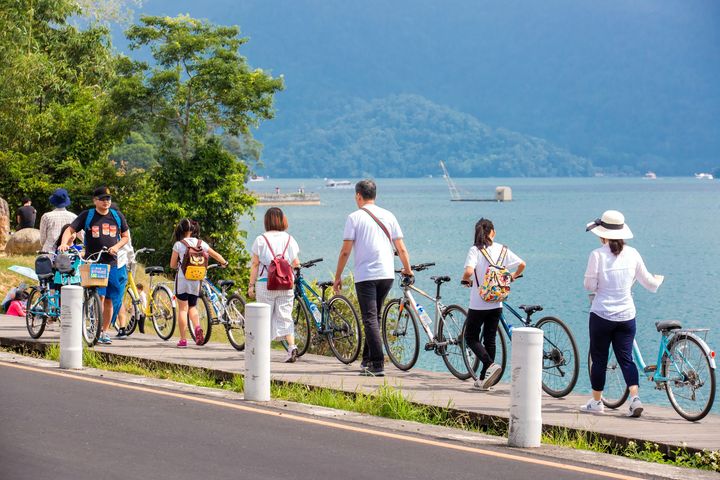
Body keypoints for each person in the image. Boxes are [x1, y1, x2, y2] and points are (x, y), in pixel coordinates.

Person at [581, 210, 663, 417]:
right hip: (627, 316)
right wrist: (659, 279)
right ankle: (635, 399)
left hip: (601, 315)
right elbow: (649, 284)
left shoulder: (597, 255)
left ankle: (597, 402)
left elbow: (589, 285)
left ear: (603, 234)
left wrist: (600, 284)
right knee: (626, 359)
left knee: (599, 360)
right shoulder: (633, 253)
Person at [333, 179, 412, 376]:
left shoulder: (354, 217)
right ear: (374, 195)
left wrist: (337, 276)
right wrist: (407, 269)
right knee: (374, 317)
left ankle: (377, 364)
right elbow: (401, 247)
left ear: (358, 196)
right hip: (387, 274)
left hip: (366, 275)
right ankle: (367, 360)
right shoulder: (389, 215)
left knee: (369, 318)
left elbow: (345, 251)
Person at [59, 186, 130, 345]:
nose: (106, 201)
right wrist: (64, 243)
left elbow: (125, 236)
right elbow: (70, 229)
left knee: (110, 299)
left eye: (108, 199)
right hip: (95, 262)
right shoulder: (88, 215)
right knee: (100, 295)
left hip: (113, 263)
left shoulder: (117, 216)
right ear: (95, 200)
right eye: (103, 199)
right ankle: (93, 326)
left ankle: (104, 332)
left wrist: (116, 247)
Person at [461, 218, 525, 390]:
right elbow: (522, 264)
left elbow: (468, 271)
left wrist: (465, 279)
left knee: (470, 337)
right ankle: (484, 380)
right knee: (490, 339)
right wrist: (512, 277)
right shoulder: (502, 250)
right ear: (493, 232)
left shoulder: (475, 250)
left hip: (478, 303)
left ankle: (489, 365)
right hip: (497, 302)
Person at [248, 207, 301, 362]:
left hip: (265, 284)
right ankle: (291, 347)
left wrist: (251, 285)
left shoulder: (260, 239)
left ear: (266, 221)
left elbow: (255, 265)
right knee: (285, 317)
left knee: (264, 318)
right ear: (283, 220)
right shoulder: (290, 239)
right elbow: (295, 263)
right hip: (286, 285)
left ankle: (263, 352)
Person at [170, 218, 228, 348]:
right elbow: (215, 255)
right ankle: (197, 327)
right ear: (193, 229)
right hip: (196, 280)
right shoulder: (202, 243)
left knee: (183, 309)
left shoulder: (179, 245)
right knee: (193, 307)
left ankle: (183, 339)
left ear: (181, 229)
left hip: (183, 280)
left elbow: (173, 265)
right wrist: (224, 262)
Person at [39, 188, 80, 254]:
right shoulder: (74, 216)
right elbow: (82, 235)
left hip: (49, 252)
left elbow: (43, 239)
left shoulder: (46, 216)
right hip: (68, 253)